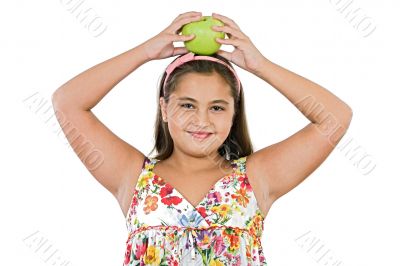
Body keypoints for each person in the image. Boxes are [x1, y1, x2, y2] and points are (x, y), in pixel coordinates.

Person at [52, 11, 353, 266]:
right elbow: (67, 103)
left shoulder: (255, 178)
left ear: (235, 113)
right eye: (187, 105)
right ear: (164, 108)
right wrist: (145, 52)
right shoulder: (133, 177)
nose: (202, 121)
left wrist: (260, 65)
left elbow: (334, 118)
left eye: (217, 108)